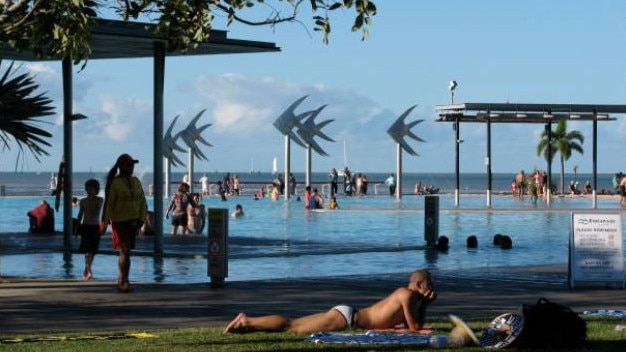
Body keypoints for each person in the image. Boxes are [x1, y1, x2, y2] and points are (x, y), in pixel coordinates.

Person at [223, 269, 437, 334]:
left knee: (293, 323)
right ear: (419, 285)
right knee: (292, 327)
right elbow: (415, 328)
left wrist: (424, 305)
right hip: (348, 318)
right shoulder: (407, 295)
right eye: (430, 285)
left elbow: (411, 326)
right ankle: (247, 321)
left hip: (347, 315)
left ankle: (248, 324)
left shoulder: (408, 296)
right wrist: (425, 307)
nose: (432, 289)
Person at [102, 153, 147, 293]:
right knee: (124, 250)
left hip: (133, 221)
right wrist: (104, 222)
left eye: (132, 165)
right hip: (119, 221)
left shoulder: (136, 181)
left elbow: (142, 202)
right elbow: (109, 204)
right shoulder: (115, 183)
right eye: (129, 165)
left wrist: (141, 219)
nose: (131, 167)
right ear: (121, 166)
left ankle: (123, 279)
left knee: (127, 252)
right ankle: (122, 281)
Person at [75, 179, 104, 280]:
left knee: (93, 250)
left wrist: (92, 199)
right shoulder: (83, 201)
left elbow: (95, 212)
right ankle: (88, 270)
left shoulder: (100, 200)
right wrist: (77, 227)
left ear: (96, 190)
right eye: (89, 189)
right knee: (87, 250)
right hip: (85, 226)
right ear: (86, 189)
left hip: (96, 227)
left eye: (92, 189)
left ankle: (87, 269)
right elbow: (80, 215)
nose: (90, 191)